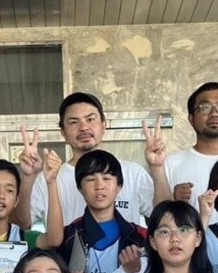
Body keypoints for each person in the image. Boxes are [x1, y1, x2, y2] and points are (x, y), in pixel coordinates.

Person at [25, 95, 159, 230]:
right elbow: (23, 224)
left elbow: (164, 217)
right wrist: (28, 178)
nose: (84, 127)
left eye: (90, 119)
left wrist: (158, 169)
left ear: (104, 126)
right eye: (73, 122)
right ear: (63, 133)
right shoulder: (48, 178)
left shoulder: (133, 173)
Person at [36, 149, 150, 273]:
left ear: (119, 187)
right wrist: (51, 182)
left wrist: (135, 271)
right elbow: (50, 242)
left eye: (107, 178)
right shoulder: (69, 235)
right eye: (90, 179)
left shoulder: (140, 237)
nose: (99, 186)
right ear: (80, 188)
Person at [159, 82, 218, 209]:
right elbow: (155, 221)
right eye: (205, 107)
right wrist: (172, 200)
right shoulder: (169, 164)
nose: (214, 114)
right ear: (191, 118)